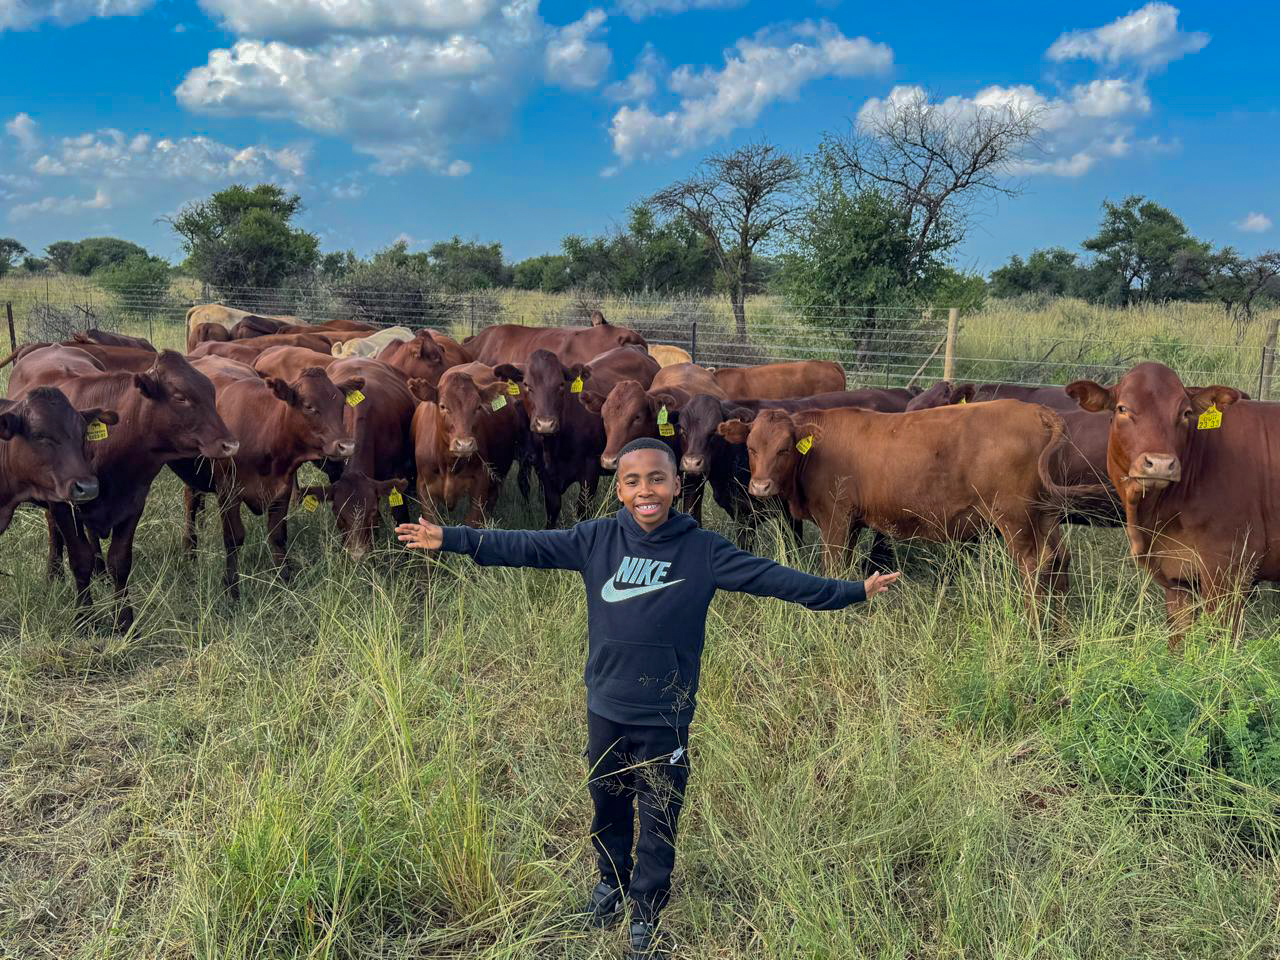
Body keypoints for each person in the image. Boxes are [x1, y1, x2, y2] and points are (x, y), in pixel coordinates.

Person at [398, 437, 898, 959]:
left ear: (677, 485)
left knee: (659, 817)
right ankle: (609, 885)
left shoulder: (703, 551)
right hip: (606, 708)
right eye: (633, 481)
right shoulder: (595, 541)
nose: (646, 491)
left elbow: (775, 580)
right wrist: (452, 538)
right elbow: (528, 546)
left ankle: (646, 910)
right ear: (619, 490)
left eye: (657, 479)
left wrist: (851, 592)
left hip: (665, 715)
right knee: (608, 805)